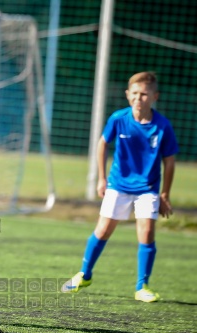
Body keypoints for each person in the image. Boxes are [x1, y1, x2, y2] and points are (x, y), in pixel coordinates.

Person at [61, 72, 178, 302]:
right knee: (103, 229)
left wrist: (165, 193)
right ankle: (85, 274)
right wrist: (102, 178)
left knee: (146, 233)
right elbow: (102, 144)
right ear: (127, 95)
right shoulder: (118, 118)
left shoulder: (163, 126)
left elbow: (170, 161)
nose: (138, 98)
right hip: (118, 184)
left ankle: (142, 286)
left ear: (155, 96)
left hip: (148, 187)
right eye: (134, 93)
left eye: (144, 94)